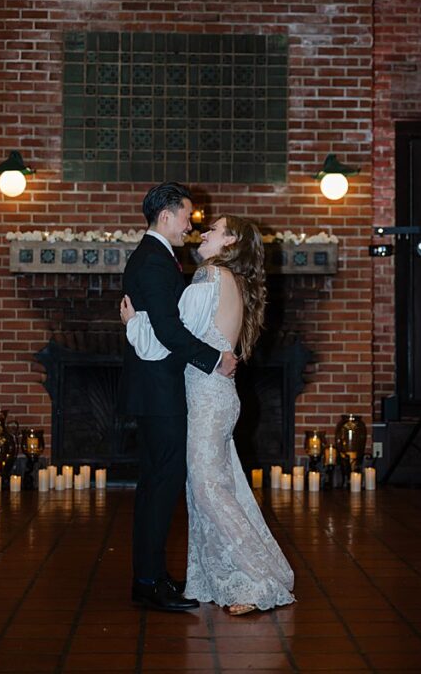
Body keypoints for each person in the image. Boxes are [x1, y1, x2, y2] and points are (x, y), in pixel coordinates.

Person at [121, 214, 295, 615]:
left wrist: (133, 324)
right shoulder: (229, 280)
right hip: (218, 396)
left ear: (230, 241)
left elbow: (173, 338)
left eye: (213, 230)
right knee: (218, 487)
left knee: (209, 491)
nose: (203, 232)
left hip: (205, 399)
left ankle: (258, 580)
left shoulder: (209, 278)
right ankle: (220, 576)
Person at [116, 181, 238, 613]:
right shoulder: (153, 262)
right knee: (160, 484)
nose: (192, 222)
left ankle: (151, 576)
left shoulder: (160, 258)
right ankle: (148, 582)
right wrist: (214, 359)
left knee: (158, 484)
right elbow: (168, 332)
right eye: (187, 214)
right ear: (166, 215)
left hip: (160, 388)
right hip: (158, 391)